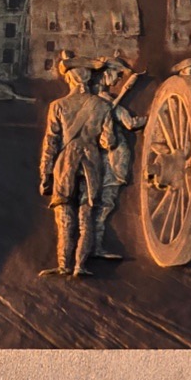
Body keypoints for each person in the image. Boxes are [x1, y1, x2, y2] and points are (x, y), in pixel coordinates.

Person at [39, 55, 117, 278]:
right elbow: (109, 142)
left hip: (65, 164)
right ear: (88, 79)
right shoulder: (102, 106)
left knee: (65, 218)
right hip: (91, 163)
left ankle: (64, 265)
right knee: (86, 218)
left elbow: (51, 143)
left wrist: (45, 173)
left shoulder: (58, 106)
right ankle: (80, 266)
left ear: (70, 79)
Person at [91, 55, 146, 259]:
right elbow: (131, 124)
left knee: (103, 202)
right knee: (106, 202)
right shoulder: (104, 102)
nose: (119, 79)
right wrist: (152, 117)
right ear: (106, 74)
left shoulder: (95, 100)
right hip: (112, 157)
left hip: (103, 156)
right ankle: (95, 246)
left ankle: (94, 245)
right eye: (117, 74)